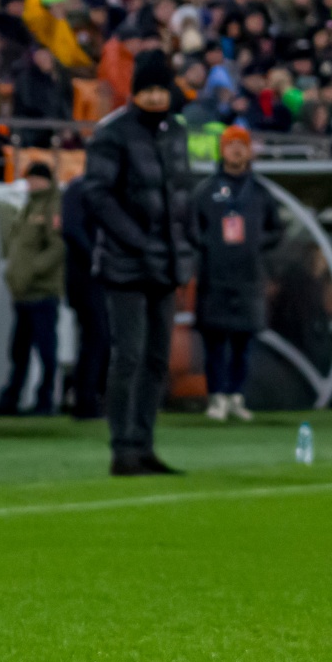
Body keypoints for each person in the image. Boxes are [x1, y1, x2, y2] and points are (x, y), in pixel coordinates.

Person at [84, 49, 196, 475]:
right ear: (134, 92)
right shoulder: (112, 134)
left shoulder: (176, 132)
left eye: (160, 89)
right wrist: (136, 241)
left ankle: (144, 444)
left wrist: (186, 245)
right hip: (124, 264)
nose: (154, 97)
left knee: (156, 359)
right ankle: (122, 448)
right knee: (129, 356)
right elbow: (97, 195)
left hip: (166, 263)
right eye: (147, 90)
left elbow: (183, 195)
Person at [189, 125, 283, 422]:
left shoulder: (261, 192)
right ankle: (216, 396)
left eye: (242, 144)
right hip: (214, 277)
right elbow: (191, 228)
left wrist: (255, 243)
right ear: (222, 150)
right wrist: (211, 246)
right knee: (215, 342)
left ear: (250, 151)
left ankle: (236, 395)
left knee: (244, 343)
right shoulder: (206, 190)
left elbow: (277, 230)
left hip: (249, 278)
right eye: (231, 144)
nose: (237, 150)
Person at [0, 163, 64, 415]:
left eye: (34, 179)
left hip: (42, 291)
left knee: (45, 350)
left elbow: (58, 246)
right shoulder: (29, 206)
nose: (30, 184)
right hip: (23, 292)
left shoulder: (51, 206)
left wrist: (31, 271)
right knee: (19, 350)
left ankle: (44, 400)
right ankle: (11, 398)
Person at [60, 174, 106, 420]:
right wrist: (97, 259)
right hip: (86, 279)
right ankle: (85, 400)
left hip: (94, 278)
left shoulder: (87, 188)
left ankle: (91, 397)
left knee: (97, 339)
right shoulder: (80, 189)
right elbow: (72, 229)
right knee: (95, 338)